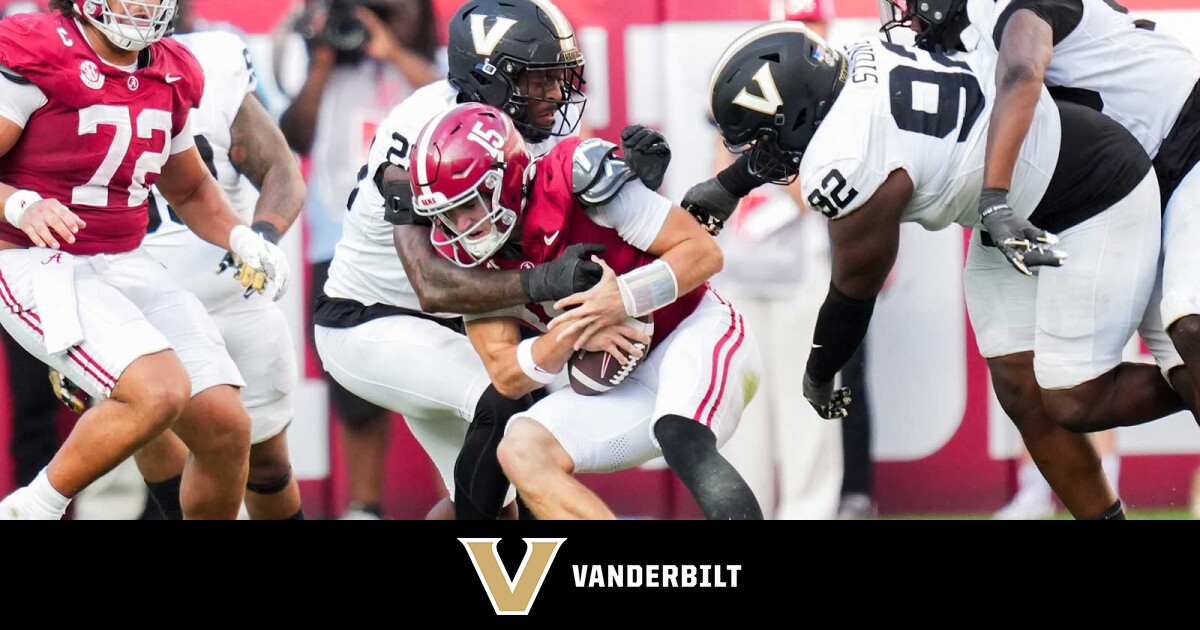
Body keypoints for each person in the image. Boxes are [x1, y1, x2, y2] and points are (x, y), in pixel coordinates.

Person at [692, 22, 1183, 520]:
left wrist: (819, 375)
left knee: (1074, 398)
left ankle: (1194, 380)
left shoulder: (845, 159)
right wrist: (730, 186)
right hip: (1012, 204)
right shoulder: (856, 57)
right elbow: (805, 131)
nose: (765, 155)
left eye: (766, 139)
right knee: (1021, 391)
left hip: (1088, 188)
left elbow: (852, 293)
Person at [314, 0, 671, 519]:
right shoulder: (423, 129)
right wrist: (545, 282)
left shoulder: (531, 127)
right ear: (490, 78)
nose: (555, 94)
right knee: (505, 400)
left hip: (454, 322)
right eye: (538, 79)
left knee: (500, 500)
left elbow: (565, 225)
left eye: (558, 77)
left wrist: (630, 185)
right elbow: (431, 283)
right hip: (371, 319)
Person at [882, 0, 1200, 517]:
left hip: (1186, 146)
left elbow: (1024, 71)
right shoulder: (962, 44)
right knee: (1057, 389)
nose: (907, 16)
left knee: (1190, 319)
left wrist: (994, 198)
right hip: (1122, 186)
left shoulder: (1000, 10)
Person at [0, 0, 288, 519]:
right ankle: (32, 508)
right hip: (35, 261)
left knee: (227, 429)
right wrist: (18, 203)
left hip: (125, 260)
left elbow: (191, 188)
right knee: (158, 391)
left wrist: (241, 237)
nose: (144, 4)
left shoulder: (170, 70)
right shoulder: (39, 49)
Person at [407, 101, 762, 520]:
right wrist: (579, 325)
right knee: (520, 448)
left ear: (505, 180)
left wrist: (622, 298)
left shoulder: (573, 177)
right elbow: (505, 375)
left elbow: (703, 254)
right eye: (447, 214)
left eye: (469, 204)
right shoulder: (468, 257)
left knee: (681, 434)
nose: (462, 226)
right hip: (623, 382)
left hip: (693, 329)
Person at [130, 0, 308, 520]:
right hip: (134, 300)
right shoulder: (53, 64)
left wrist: (261, 238)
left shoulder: (215, 56)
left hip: (231, 292)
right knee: (164, 442)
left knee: (268, 466)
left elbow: (280, 168)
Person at [280, 0, 440, 519]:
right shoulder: (326, 69)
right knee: (354, 390)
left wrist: (391, 51)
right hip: (339, 245)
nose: (370, 23)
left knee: (445, 379)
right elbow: (292, 136)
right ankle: (363, 507)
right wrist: (323, 60)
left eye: (386, 12)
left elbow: (455, 106)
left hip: (430, 244)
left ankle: (468, 503)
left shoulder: (435, 67)